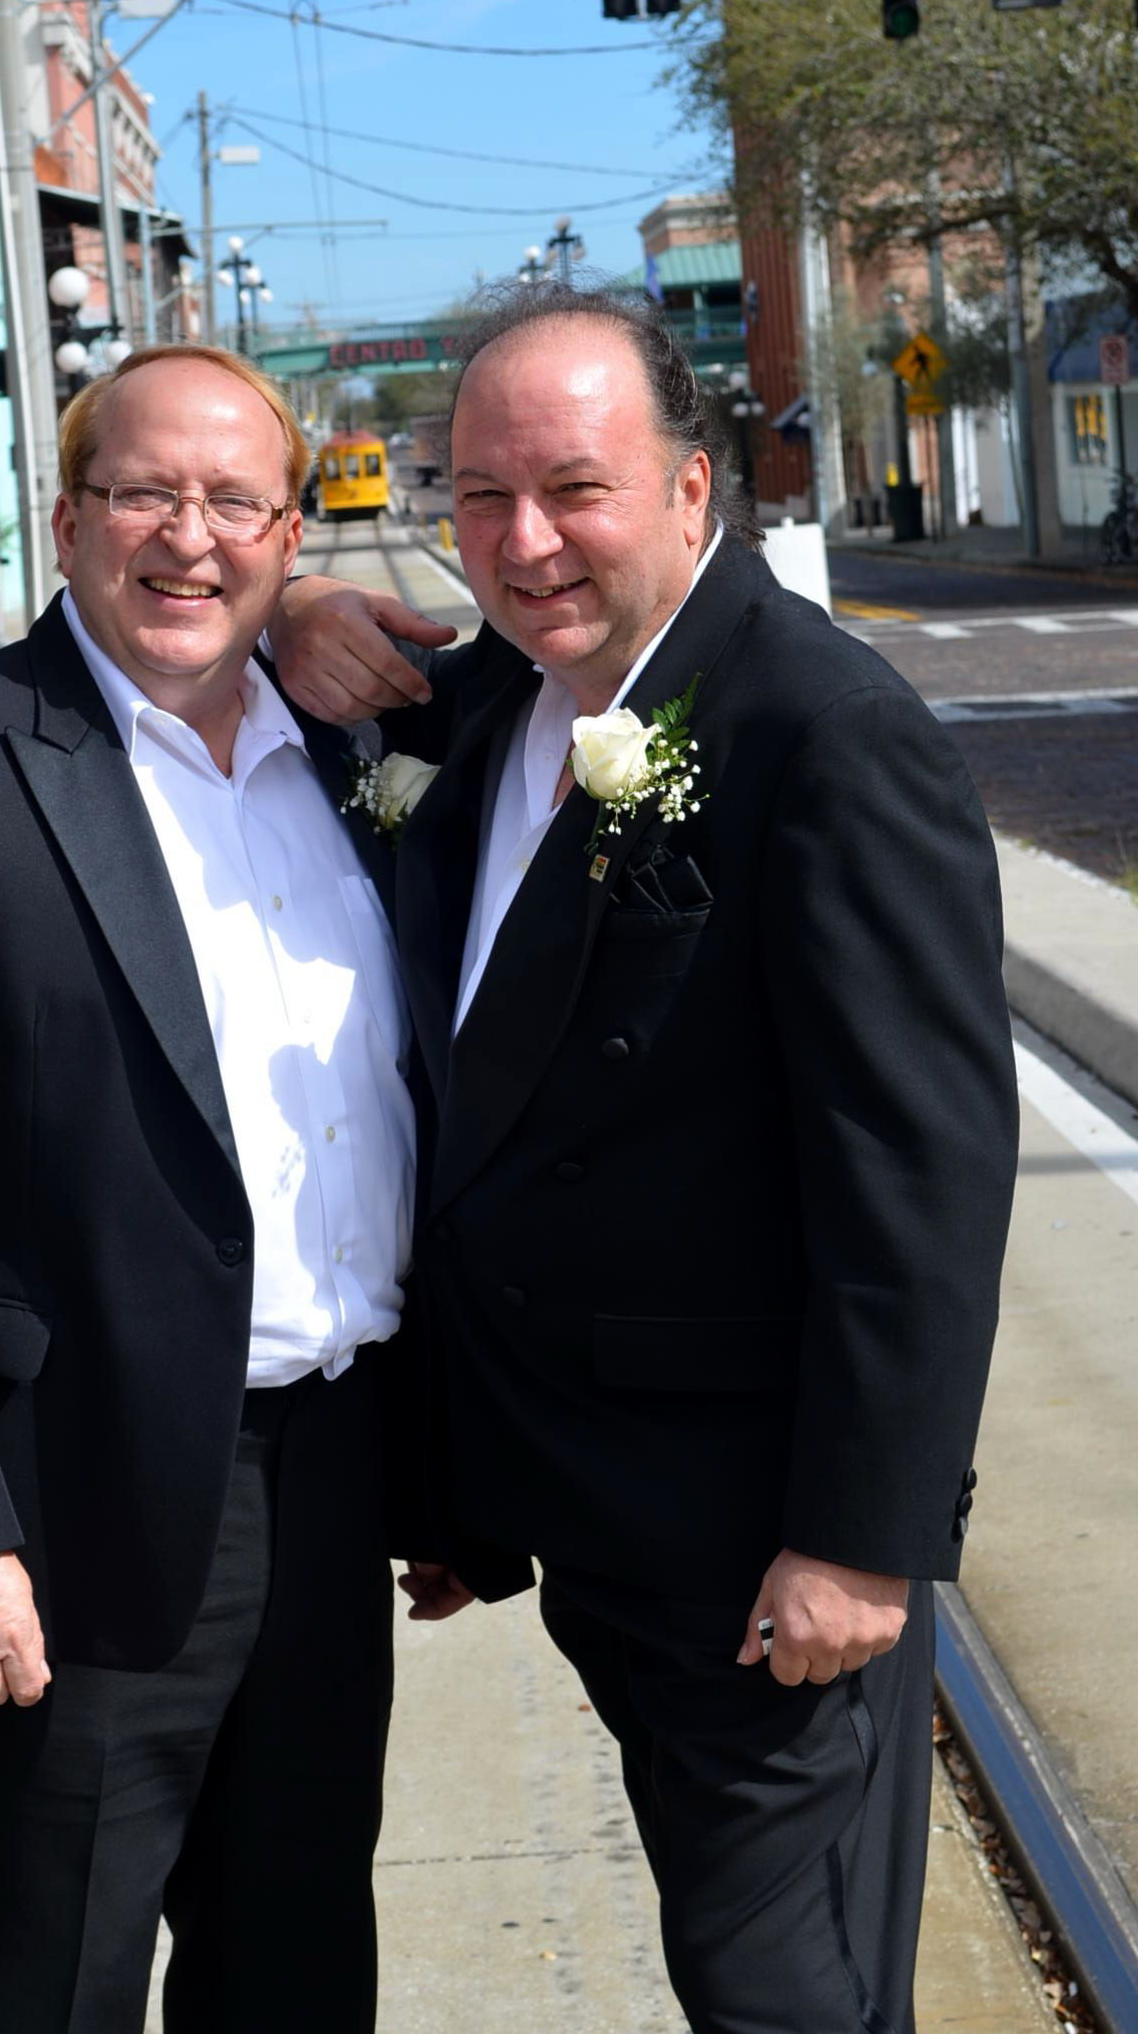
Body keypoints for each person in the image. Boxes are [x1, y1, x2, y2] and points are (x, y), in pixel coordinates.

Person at [271, 283, 1018, 2033]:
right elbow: (480, 1120)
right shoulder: (478, 711)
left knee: (784, 1991)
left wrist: (860, 1539)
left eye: (576, 490)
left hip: (757, 1543)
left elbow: (918, 1176)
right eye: (481, 496)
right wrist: (290, 606)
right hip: (586, 1509)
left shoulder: (822, 730)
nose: (524, 542)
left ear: (693, 489)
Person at [0, 343, 446, 2034]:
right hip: (64, 1510)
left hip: (334, 1481)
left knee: (297, 1974)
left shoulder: (357, 757)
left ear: (292, 539)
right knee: (47, 1989)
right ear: (68, 518)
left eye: (236, 505)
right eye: (146, 493)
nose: (189, 538)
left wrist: (451, 1471)